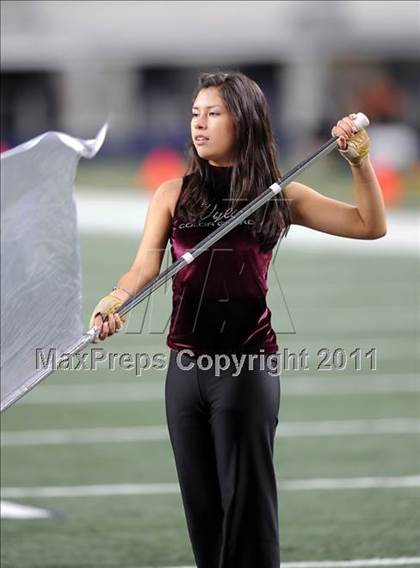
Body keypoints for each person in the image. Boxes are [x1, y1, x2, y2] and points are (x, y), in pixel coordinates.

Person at [89, 72, 387, 567]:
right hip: (184, 373)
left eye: (213, 114)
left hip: (246, 370)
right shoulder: (171, 193)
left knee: (247, 512)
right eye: (194, 114)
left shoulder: (280, 195)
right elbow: (144, 268)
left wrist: (360, 162)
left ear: (243, 121)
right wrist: (114, 299)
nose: (199, 125)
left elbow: (369, 225)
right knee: (203, 513)